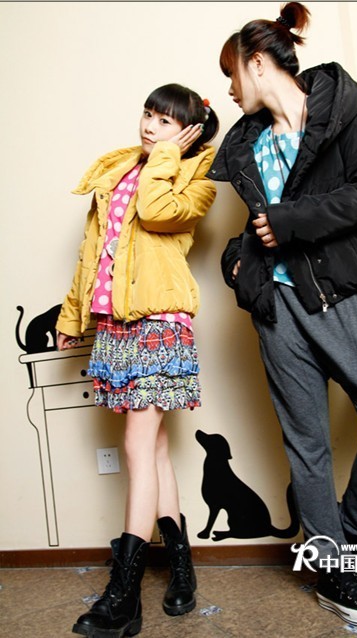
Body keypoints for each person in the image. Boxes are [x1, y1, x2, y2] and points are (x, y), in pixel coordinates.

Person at [209, 1, 357, 629]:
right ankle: (333, 572)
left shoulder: (341, 109)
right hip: (278, 309)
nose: (229, 88)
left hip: (342, 295)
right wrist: (237, 266)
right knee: (308, 446)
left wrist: (290, 222)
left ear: (257, 63)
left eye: (231, 73)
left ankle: (349, 536)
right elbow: (253, 229)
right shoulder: (246, 143)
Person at [56, 83, 219, 638]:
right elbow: (92, 250)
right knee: (155, 449)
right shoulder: (121, 169)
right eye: (149, 114)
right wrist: (72, 316)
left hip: (157, 321)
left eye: (166, 121)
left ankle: (123, 597)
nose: (151, 126)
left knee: (136, 446)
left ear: (189, 133)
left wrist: (168, 156)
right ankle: (181, 567)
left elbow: (156, 212)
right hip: (115, 323)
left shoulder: (194, 179)